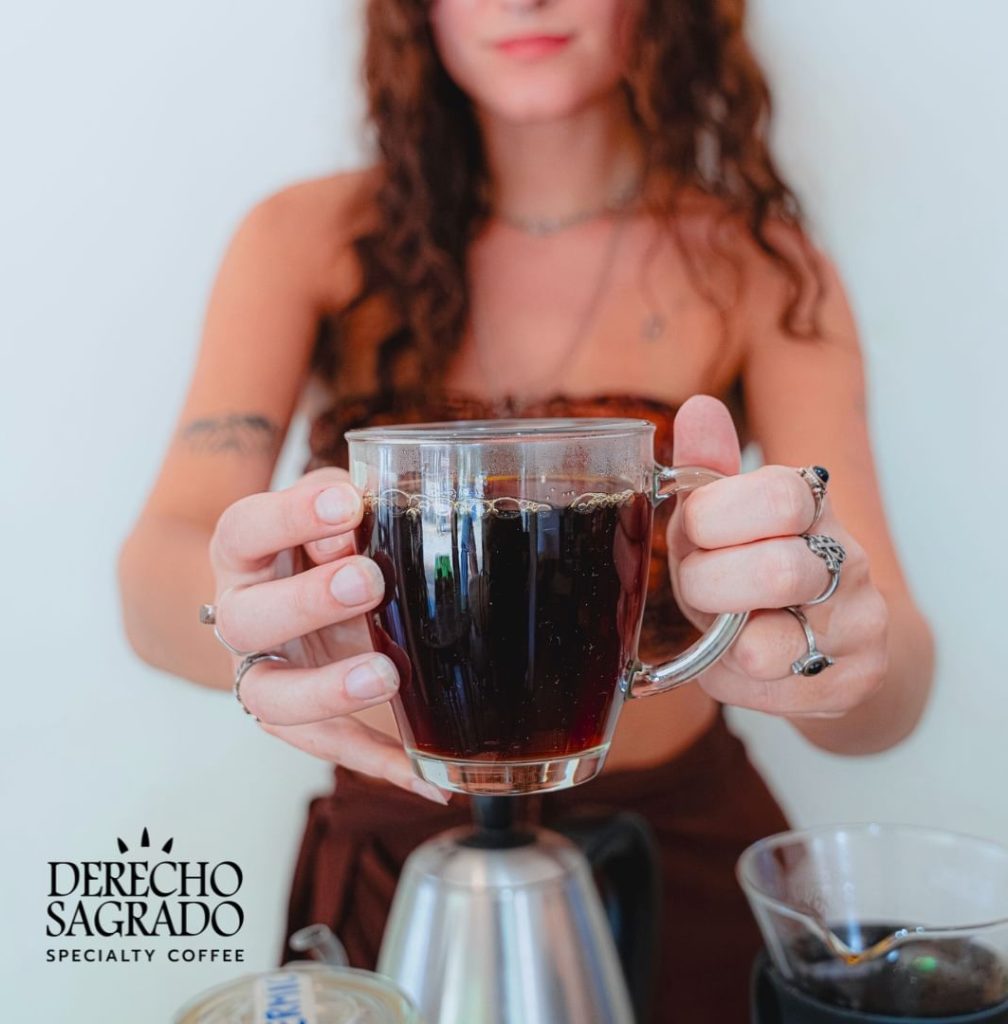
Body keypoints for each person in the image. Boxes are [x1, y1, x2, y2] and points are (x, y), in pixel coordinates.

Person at [118, 0, 935, 1017]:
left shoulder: (758, 263)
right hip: (396, 856)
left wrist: (838, 648)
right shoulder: (309, 239)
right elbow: (157, 568)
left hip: (678, 849)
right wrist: (262, 614)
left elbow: (889, 677)